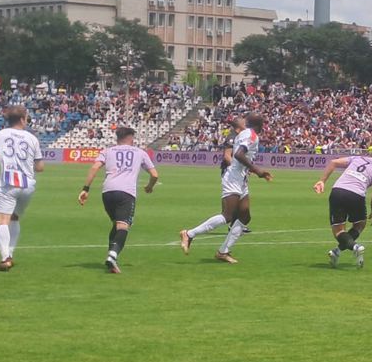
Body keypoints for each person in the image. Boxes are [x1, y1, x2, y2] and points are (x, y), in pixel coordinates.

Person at [180, 112, 272, 264]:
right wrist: (258, 170)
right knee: (228, 215)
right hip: (233, 178)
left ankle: (223, 251)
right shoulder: (251, 135)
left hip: (240, 178)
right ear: (260, 125)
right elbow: (239, 155)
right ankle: (189, 234)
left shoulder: (245, 133)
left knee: (244, 216)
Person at [78, 126, 159, 273]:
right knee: (123, 226)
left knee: (117, 224)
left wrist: (85, 189)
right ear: (130, 138)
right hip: (126, 192)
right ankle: (113, 255)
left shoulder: (108, 151)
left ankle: (111, 259)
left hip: (107, 192)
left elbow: (95, 168)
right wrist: (149, 187)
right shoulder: (140, 153)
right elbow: (154, 175)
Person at [0, 105, 45, 272]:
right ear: (23, 119)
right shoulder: (32, 138)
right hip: (28, 185)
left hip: (9, 183)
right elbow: (40, 167)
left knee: (3, 221)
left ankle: (5, 258)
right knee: (15, 218)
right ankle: (10, 253)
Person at [314, 142, 372, 269]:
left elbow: (333, 162)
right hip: (356, 195)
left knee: (339, 231)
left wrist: (322, 180)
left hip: (338, 191)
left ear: (371, 152)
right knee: (360, 224)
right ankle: (354, 247)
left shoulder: (358, 158)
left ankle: (338, 251)